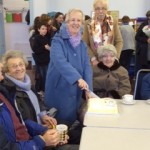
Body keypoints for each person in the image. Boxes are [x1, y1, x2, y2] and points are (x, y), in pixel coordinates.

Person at [1, 51, 79, 150]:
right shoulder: (10, 91)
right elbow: (23, 121)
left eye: (21, 64)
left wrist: (44, 115)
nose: (19, 68)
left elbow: (38, 101)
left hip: (40, 129)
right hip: (34, 136)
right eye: (14, 66)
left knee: (76, 130)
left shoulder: (28, 84)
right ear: (7, 71)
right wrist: (44, 133)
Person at [44, 9, 93, 124]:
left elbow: (87, 66)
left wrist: (88, 89)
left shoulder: (82, 44)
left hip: (76, 87)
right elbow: (60, 61)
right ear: (66, 22)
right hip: (59, 86)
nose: (75, 23)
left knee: (72, 117)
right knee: (58, 120)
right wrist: (78, 78)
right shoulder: (57, 40)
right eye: (72, 20)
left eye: (79, 20)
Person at [82, 0, 123, 66]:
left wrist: (115, 57)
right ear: (94, 9)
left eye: (103, 8)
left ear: (107, 9)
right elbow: (84, 43)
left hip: (110, 62)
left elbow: (119, 41)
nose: (101, 11)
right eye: (97, 8)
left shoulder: (113, 22)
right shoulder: (88, 23)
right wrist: (93, 58)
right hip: (94, 63)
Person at [32, 21, 50, 92]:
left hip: (47, 60)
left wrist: (49, 48)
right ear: (38, 29)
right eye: (42, 29)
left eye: (45, 29)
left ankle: (45, 90)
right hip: (41, 61)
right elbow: (35, 50)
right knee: (43, 77)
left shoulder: (46, 38)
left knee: (47, 76)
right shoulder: (36, 38)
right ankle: (42, 91)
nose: (44, 30)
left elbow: (48, 47)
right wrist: (44, 47)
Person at [135, 10, 150, 74]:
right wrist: (146, 40)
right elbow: (137, 37)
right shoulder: (143, 25)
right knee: (145, 70)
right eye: (149, 17)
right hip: (145, 51)